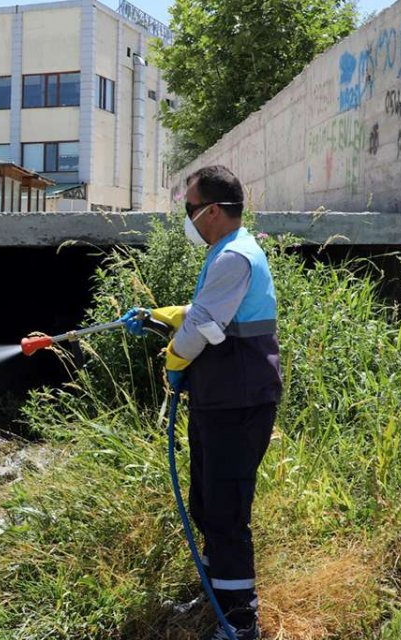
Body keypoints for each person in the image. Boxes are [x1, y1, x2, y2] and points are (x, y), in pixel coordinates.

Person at [123, 165, 282, 640]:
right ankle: (218, 593)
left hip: (238, 399)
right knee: (208, 503)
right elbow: (206, 313)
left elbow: (206, 327)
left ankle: (240, 619)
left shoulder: (235, 256)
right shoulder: (226, 253)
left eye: (190, 208)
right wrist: (159, 315)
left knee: (227, 511)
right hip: (221, 398)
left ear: (212, 210)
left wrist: (174, 358)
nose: (187, 216)